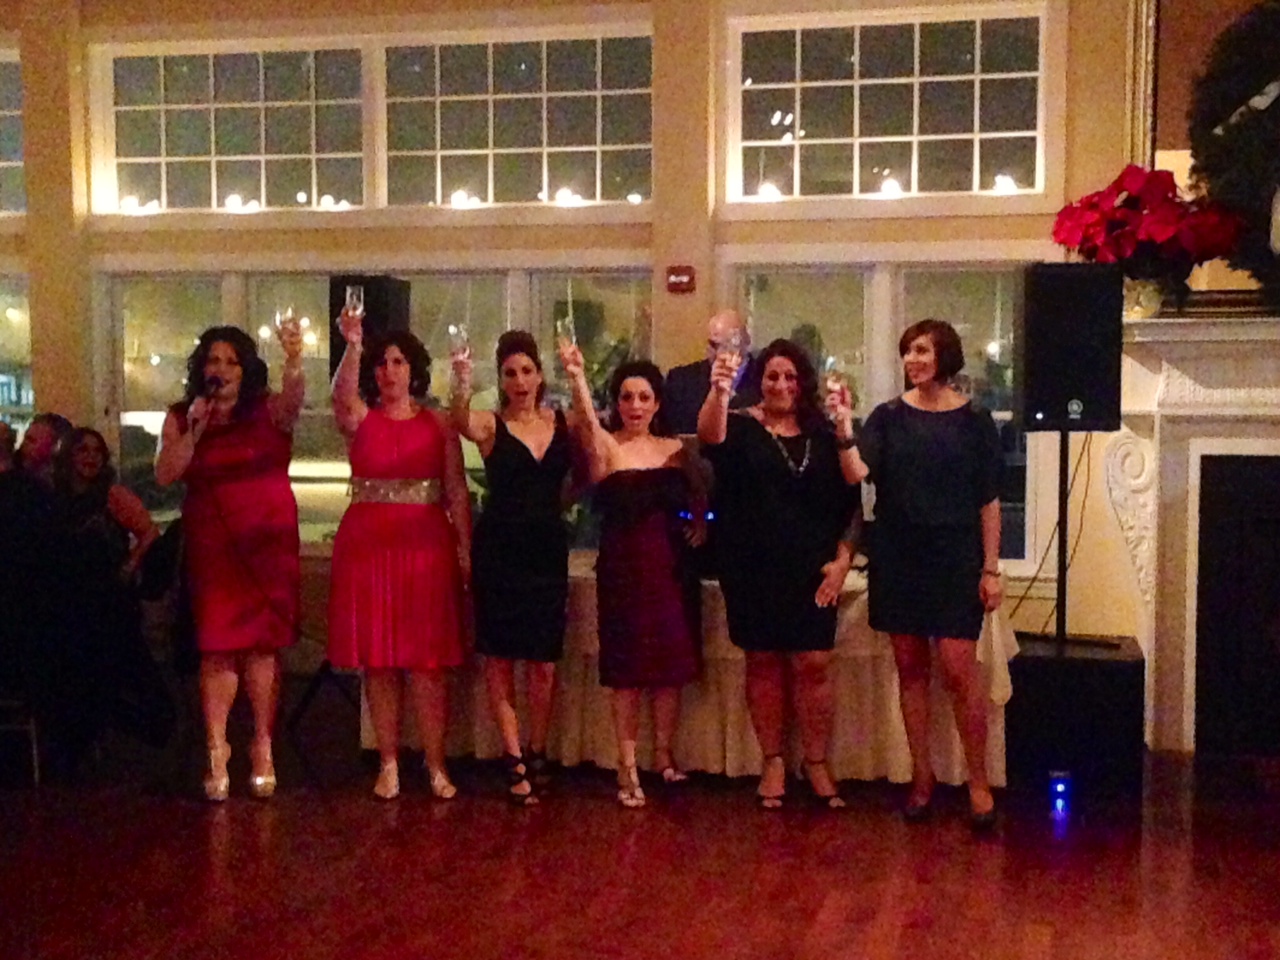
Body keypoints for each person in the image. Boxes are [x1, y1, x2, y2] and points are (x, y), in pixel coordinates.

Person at [837, 318, 1004, 829]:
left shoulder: (975, 420)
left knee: (958, 670)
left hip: (955, 557)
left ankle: (978, 782)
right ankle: (922, 778)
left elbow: (989, 500)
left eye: (923, 350)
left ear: (944, 356)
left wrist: (991, 568)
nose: (913, 359)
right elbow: (856, 474)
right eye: (908, 350)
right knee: (910, 670)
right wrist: (843, 430)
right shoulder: (887, 417)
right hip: (898, 555)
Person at [697, 338, 860, 810]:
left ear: (803, 382)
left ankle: (816, 762)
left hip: (813, 568)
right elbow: (708, 435)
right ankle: (772, 761)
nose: (781, 384)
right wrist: (719, 389)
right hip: (751, 566)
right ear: (759, 380)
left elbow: (853, 502)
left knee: (814, 663)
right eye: (772, 376)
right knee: (763, 661)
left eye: (790, 376)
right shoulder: (739, 425)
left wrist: (843, 561)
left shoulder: (825, 432)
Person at [155, 320, 304, 802]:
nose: (220, 368)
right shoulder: (183, 415)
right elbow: (164, 474)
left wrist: (294, 360)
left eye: (231, 361)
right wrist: (196, 428)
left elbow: (295, 399)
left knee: (262, 646)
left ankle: (262, 745)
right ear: (202, 368)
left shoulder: (267, 409)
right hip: (213, 543)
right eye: (213, 361)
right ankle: (217, 750)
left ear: (246, 369)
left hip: (267, 540)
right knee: (217, 645)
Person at [328, 312, 470, 801]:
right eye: (382, 363)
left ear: (414, 370)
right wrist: (352, 345)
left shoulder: (439, 424)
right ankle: (388, 762)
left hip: (426, 546)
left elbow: (456, 489)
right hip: (368, 547)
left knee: (428, 662)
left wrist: (465, 548)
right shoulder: (360, 419)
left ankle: (435, 763)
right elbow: (340, 397)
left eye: (398, 362)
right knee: (380, 661)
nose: (389, 371)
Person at [560, 345, 705, 808]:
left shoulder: (677, 451)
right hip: (622, 568)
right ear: (616, 402)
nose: (635, 406)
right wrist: (578, 377)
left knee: (669, 667)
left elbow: (702, 493)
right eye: (626, 397)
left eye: (644, 397)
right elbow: (588, 425)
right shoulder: (608, 447)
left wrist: (702, 521)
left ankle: (663, 754)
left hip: (670, 568)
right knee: (626, 670)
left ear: (658, 403)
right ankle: (627, 764)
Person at [450, 330, 575, 805]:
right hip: (500, 551)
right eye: (510, 373)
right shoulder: (490, 424)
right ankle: (513, 756)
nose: (520, 381)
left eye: (527, 371)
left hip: (547, 550)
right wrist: (462, 380)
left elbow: (592, 445)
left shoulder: (560, 421)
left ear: (540, 375)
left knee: (543, 663)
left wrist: (578, 374)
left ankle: (538, 747)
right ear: (500, 380)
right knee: (499, 658)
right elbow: (459, 419)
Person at [54, 428, 172, 754]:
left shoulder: (113, 495)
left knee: (130, 667)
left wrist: (130, 565)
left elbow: (149, 531)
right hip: (71, 595)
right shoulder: (56, 496)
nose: (90, 457)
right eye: (83, 450)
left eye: (97, 451)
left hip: (109, 596)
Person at [662, 310, 759, 436]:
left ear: (746, 342)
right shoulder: (681, 381)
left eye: (730, 346)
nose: (720, 353)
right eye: (714, 345)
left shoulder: (767, 379)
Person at [16, 412, 73, 485]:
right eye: (26, 439)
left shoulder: (68, 484)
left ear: (56, 447)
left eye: (32, 441)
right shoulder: (10, 478)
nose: (25, 444)